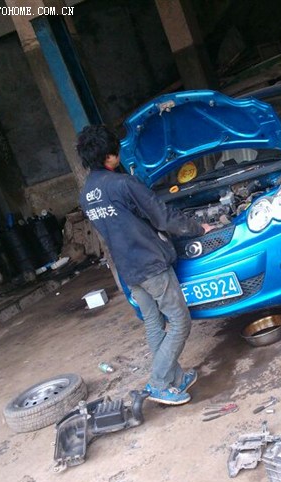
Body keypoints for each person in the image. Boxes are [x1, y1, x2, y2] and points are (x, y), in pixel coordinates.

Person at [76, 125, 213, 406]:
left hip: (126, 268)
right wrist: (199, 228)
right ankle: (159, 383)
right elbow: (163, 217)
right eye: (116, 152)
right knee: (180, 321)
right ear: (109, 156)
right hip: (150, 264)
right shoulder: (123, 184)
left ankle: (176, 378)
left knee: (153, 322)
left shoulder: (86, 193)